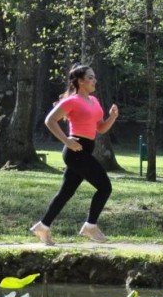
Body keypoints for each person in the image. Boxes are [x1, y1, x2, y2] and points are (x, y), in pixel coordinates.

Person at [30, 64, 119, 246]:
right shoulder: (72, 100)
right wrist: (67, 141)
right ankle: (90, 226)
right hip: (74, 151)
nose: (95, 80)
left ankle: (43, 226)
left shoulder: (94, 101)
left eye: (94, 77)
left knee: (66, 192)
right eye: (91, 77)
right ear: (80, 81)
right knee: (105, 187)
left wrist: (112, 117)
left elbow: (100, 128)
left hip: (86, 149)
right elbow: (50, 120)